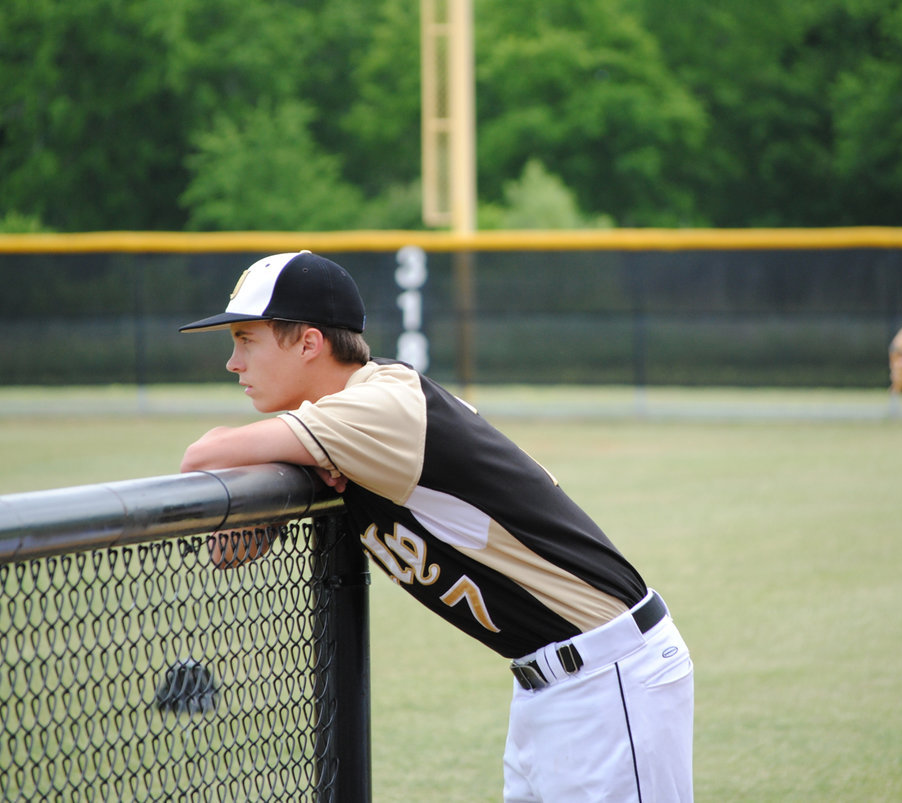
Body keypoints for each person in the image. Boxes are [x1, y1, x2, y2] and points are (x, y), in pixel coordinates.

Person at [179, 250, 694, 801]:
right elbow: (230, 551)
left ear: (308, 342)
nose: (233, 363)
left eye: (245, 340)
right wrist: (290, 465)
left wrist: (277, 456)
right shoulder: (342, 422)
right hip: (552, 685)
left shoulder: (379, 408)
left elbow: (200, 457)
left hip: (608, 675)